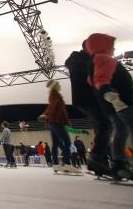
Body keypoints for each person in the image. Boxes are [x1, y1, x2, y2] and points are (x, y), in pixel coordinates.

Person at [85, 33, 133, 180]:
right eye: (111, 45)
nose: (114, 48)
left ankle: (119, 164)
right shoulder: (103, 58)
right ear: (102, 45)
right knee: (124, 128)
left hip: (112, 107)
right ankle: (119, 163)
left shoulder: (94, 61)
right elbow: (101, 80)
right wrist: (113, 97)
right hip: (122, 102)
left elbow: (92, 81)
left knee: (121, 130)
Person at [65, 40, 112, 176]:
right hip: (86, 98)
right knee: (105, 124)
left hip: (90, 98)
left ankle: (101, 160)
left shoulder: (85, 59)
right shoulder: (79, 59)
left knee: (103, 126)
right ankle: (97, 159)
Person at [39, 80, 81, 174]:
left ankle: (56, 164)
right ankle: (66, 164)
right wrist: (46, 114)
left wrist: (47, 115)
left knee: (55, 143)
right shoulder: (55, 94)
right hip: (57, 122)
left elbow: (54, 107)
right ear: (54, 86)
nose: (60, 85)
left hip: (53, 122)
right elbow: (52, 106)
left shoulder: (53, 94)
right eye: (58, 84)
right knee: (67, 142)